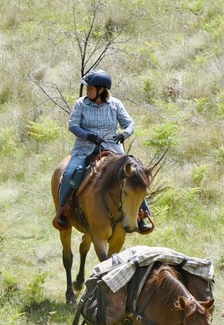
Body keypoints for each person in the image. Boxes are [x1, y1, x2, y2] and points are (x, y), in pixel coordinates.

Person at [52, 70, 152, 234]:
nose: (87, 90)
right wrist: (88, 135)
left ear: (101, 90)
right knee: (71, 173)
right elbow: (73, 125)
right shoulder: (81, 104)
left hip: (113, 150)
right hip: (84, 149)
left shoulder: (116, 104)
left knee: (136, 176)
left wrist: (124, 133)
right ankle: (64, 210)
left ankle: (142, 215)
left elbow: (130, 124)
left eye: (90, 88)